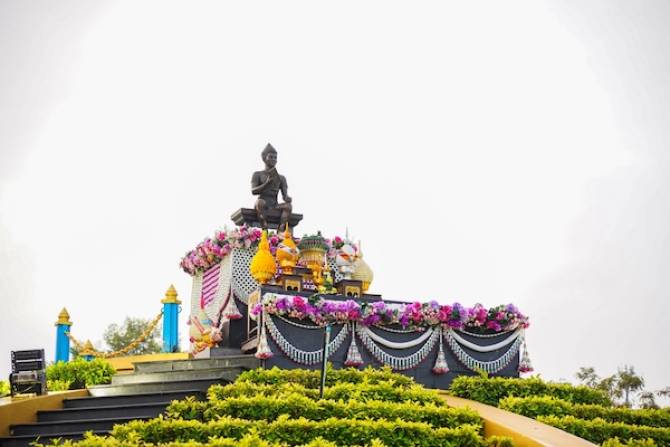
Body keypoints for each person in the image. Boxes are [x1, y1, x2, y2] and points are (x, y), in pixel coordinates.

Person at [251, 144, 292, 229]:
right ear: (264, 158)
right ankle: (264, 226)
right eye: (271, 157)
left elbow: (285, 196)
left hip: (274, 204)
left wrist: (287, 198)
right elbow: (253, 191)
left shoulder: (281, 178)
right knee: (260, 202)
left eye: (275, 157)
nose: (273, 159)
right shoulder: (257, 174)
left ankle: (281, 228)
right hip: (263, 203)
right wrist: (266, 183)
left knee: (288, 206)